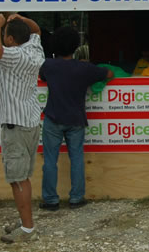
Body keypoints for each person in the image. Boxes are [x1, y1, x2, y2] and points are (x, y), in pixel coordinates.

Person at [39, 27, 113, 212]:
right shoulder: (84, 68)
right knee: (77, 158)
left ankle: (50, 200)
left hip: (53, 118)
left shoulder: (48, 65)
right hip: (76, 119)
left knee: (49, 160)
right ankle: (76, 198)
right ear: (76, 47)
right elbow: (108, 74)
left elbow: (42, 77)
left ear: (54, 45)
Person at [0, 14, 45, 243]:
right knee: (23, 176)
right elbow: (36, 30)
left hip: (15, 124)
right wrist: (20, 18)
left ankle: (27, 230)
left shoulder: (13, 56)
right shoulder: (34, 50)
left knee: (18, 180)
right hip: (31, 121)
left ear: (9, 39)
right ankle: (25, 220)